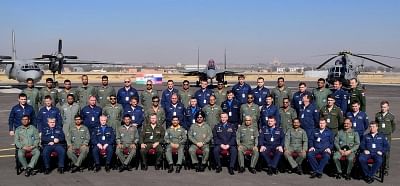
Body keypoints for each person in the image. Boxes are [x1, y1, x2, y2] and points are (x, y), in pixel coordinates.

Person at [374, 100, 395, 173]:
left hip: (387, 136)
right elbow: (375, 125)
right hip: (379, 136)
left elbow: (393, 126)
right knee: (378, 152)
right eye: (382, 107)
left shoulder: (391, 116)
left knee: (386, 153)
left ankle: (386, 168)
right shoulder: (377, 115)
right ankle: (378, 167)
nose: (383, 108)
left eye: (385, 107)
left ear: (388, 107)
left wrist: (389, 132)